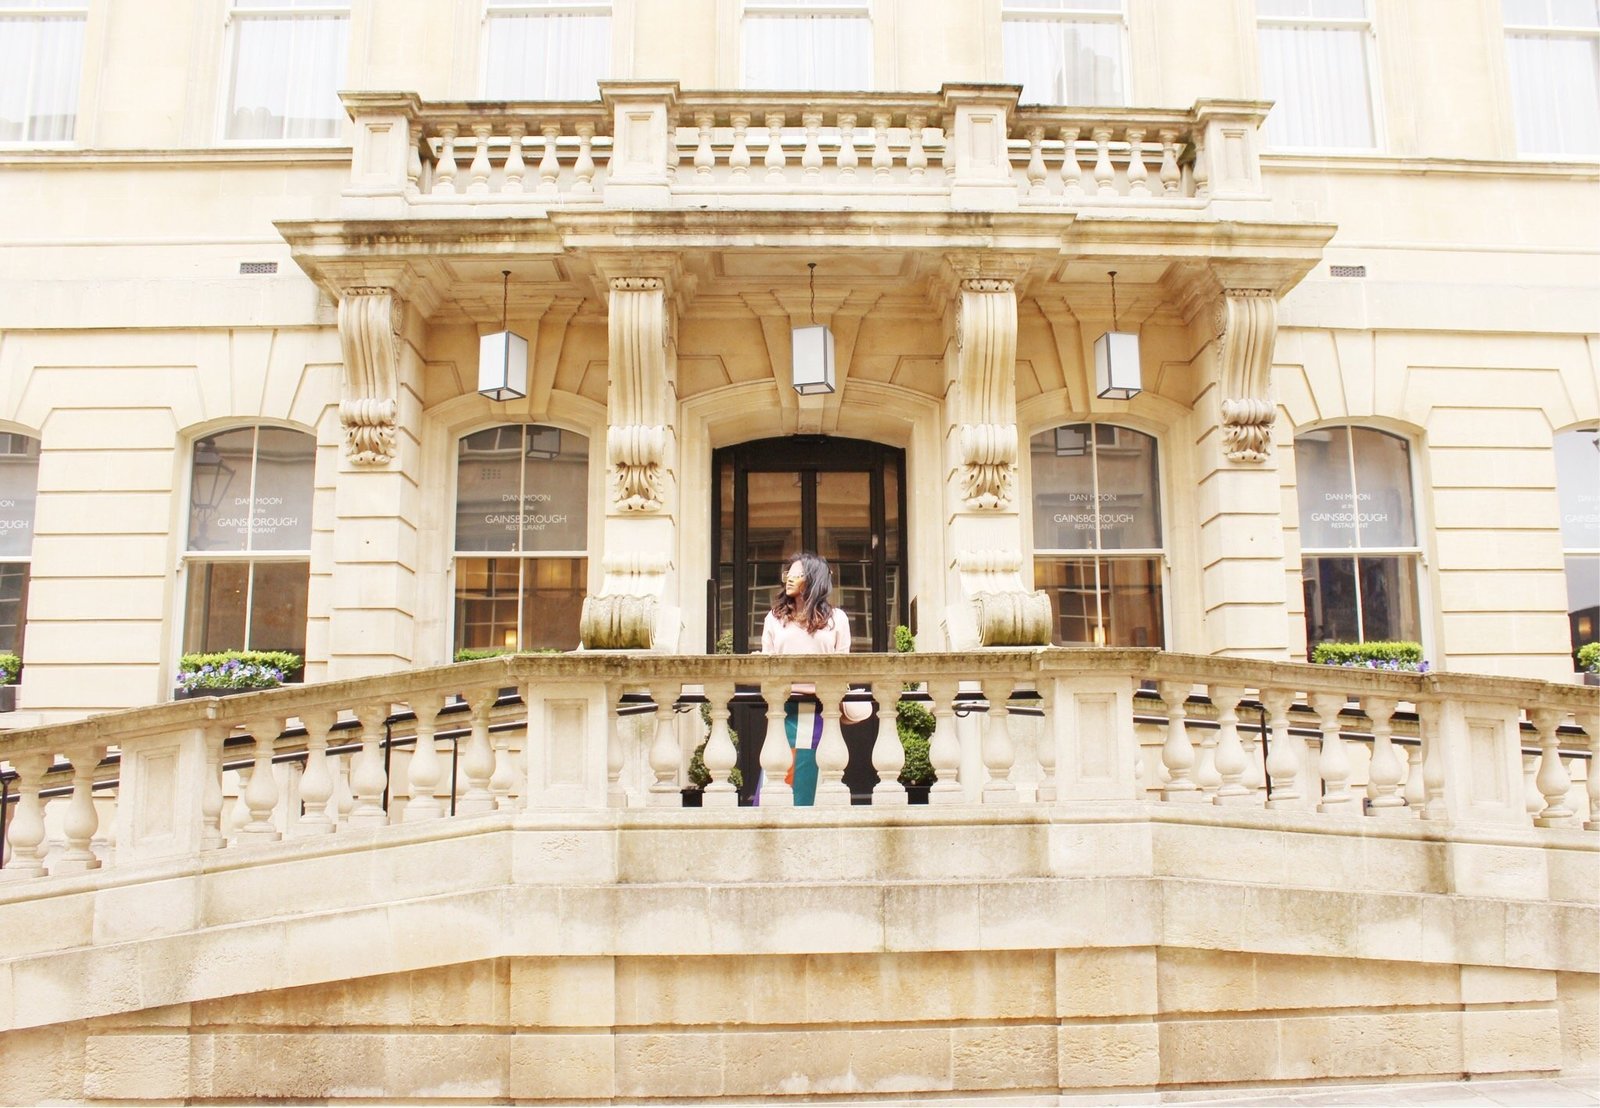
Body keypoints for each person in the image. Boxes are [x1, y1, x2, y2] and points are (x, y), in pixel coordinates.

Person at [760, 551, 850, 805]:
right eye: (786, 573)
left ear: (812, 579)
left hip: (824, 710)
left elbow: (843, 666)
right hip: (784, 710)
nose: (787, 578)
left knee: (817, 778)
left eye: (795, 574)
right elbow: (767, 664)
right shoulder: (774, 619)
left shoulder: (837, 619)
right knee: (780, 778)